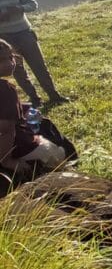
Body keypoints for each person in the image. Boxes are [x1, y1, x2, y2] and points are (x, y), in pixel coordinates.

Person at [0, 40, 66, 177]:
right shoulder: (6, 89)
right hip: (17, 147)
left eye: (10, 57)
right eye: (1, 60)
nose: (10, 63)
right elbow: (7, 129)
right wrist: (6, 161)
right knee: (57, 154)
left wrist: (21, 106)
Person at [0, 0, 68, 106]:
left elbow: (33, 4)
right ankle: (35, 98)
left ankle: (54, 95)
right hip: (4, 38)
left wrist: (19, 8)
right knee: (17, 70)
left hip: (25, 33)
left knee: (39, 66)